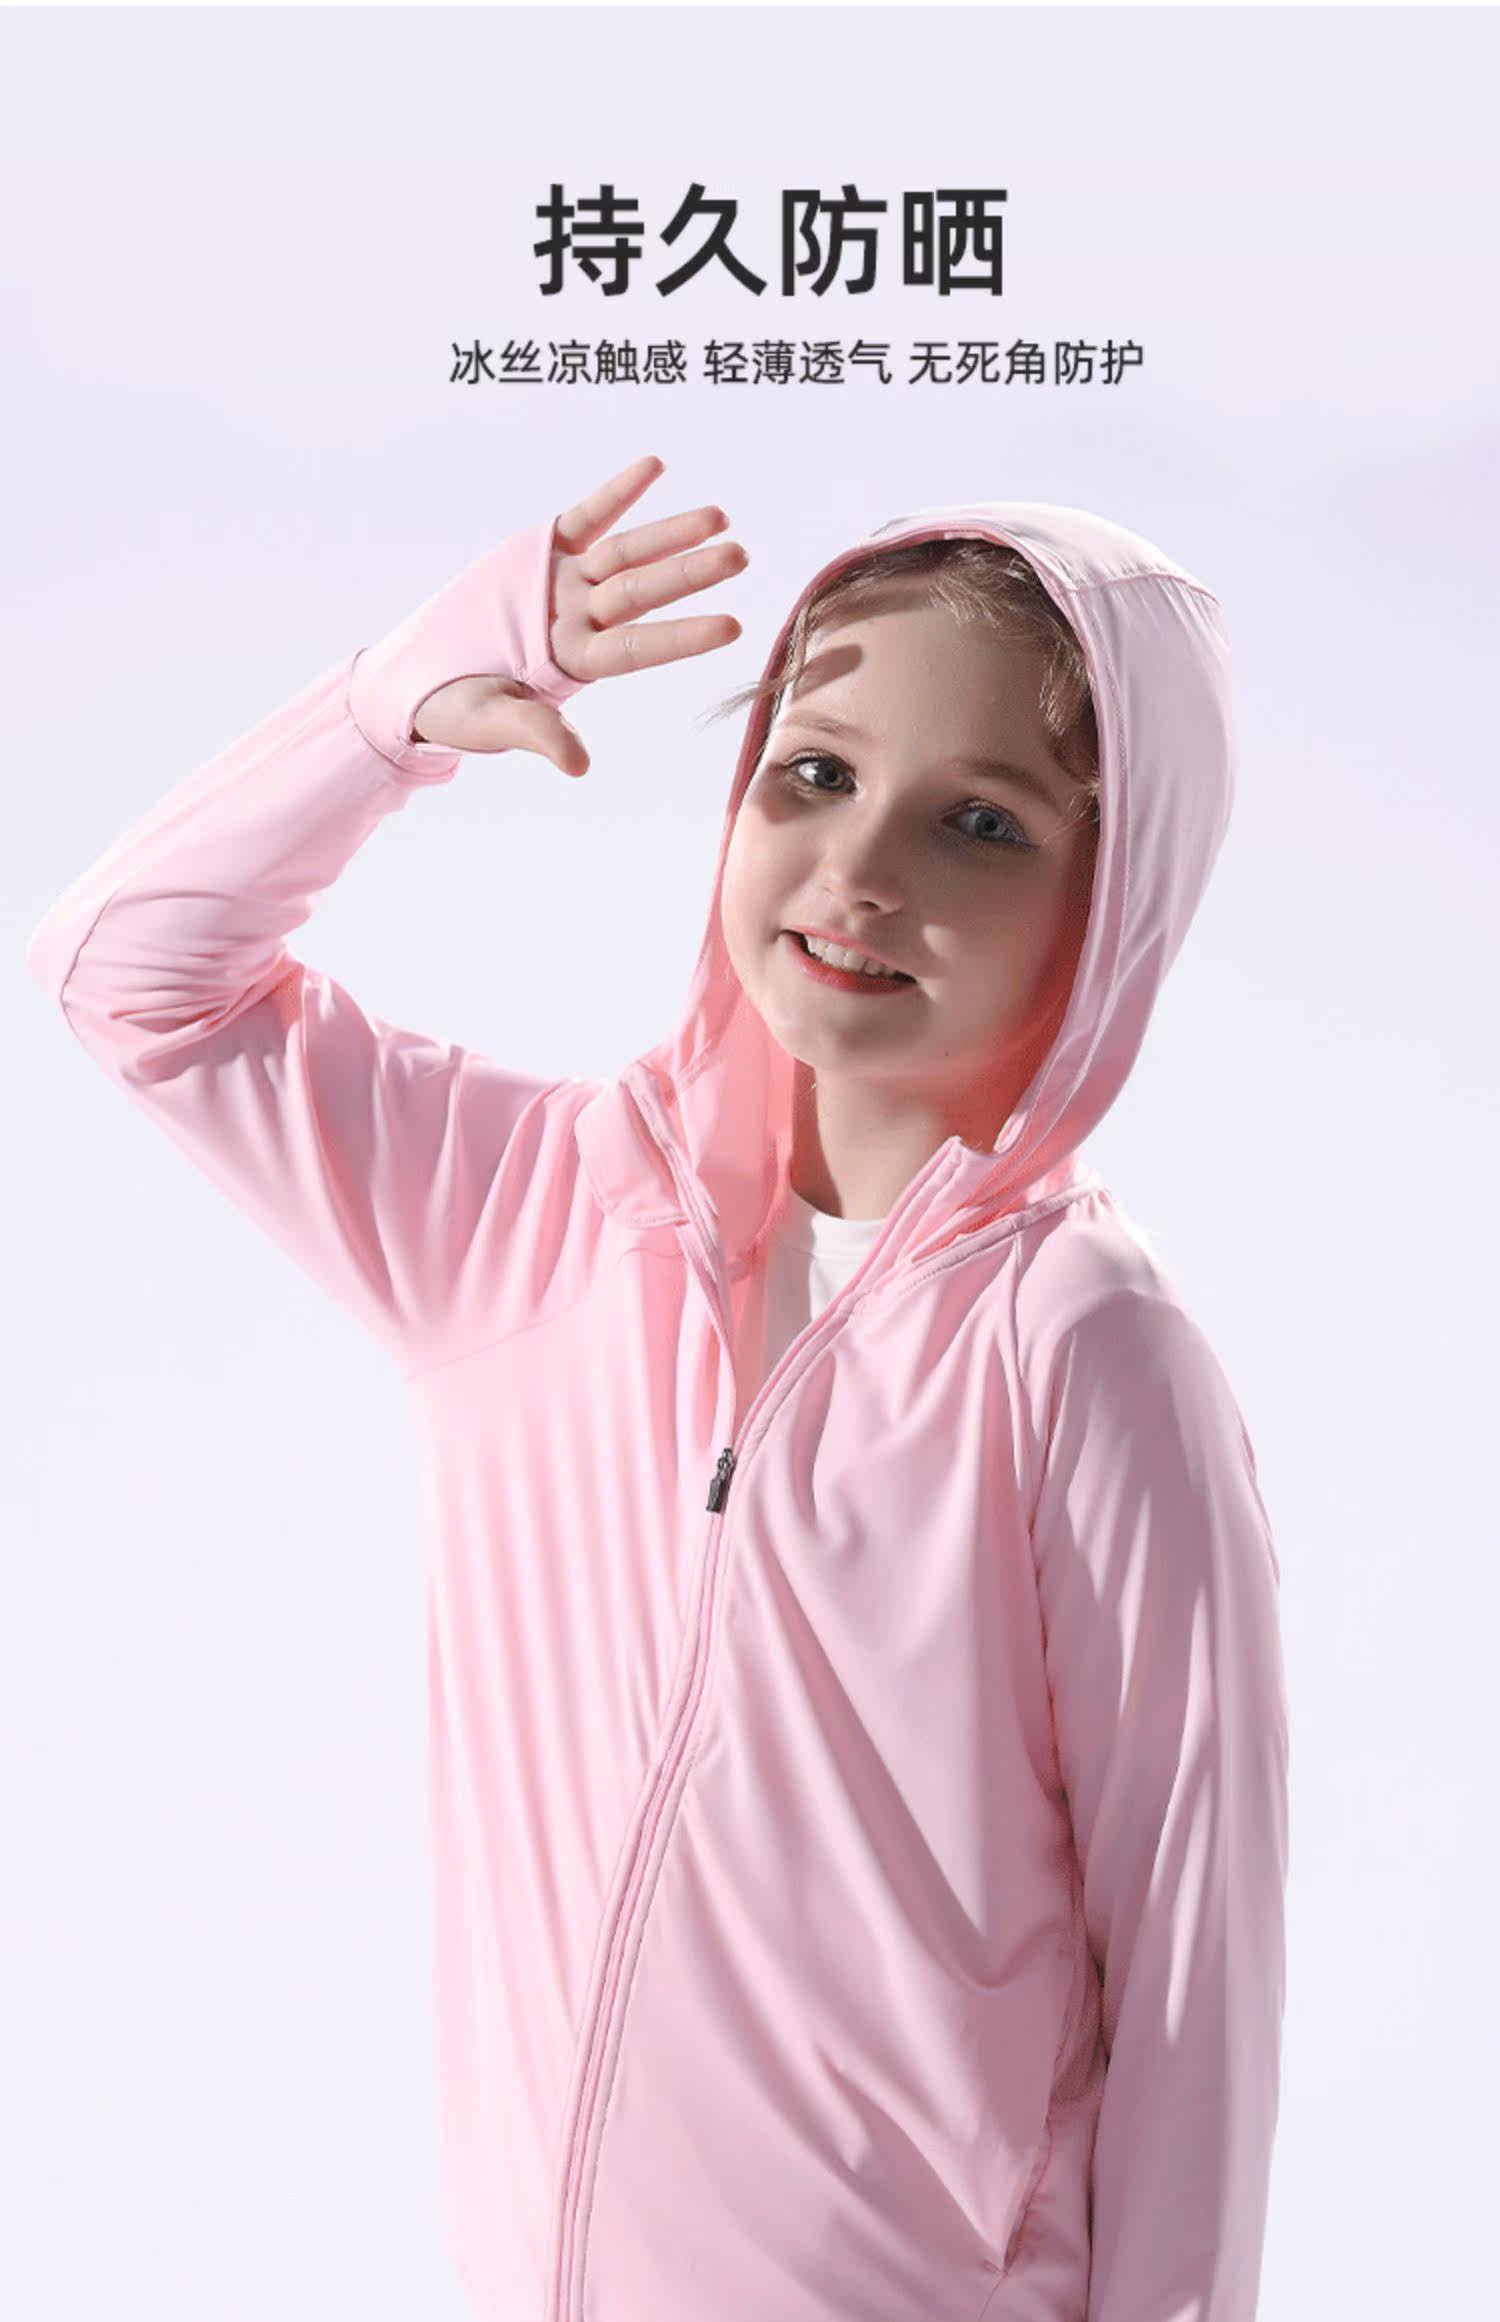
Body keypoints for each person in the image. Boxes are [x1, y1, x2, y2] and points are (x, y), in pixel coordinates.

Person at [25, 452, 1290, 2322]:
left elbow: (1191, 1978)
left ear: (1115, 906)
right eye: (815, 772)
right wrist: (393, 708)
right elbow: (127, 975)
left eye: (981, 823)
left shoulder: (1087, 1349)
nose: (860, 871)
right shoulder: (532, 1217)